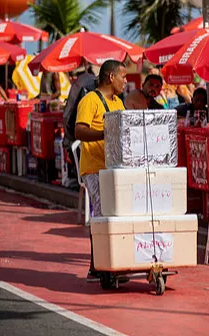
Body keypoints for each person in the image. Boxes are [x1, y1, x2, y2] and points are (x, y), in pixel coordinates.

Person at [75, 60, 126, 281]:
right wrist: (105, 133)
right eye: (123, 77)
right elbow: (79, 131)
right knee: (103, 214)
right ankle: (99, 266)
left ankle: (102, 264)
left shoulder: (118, 103)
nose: (126, 81)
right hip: (94, 168)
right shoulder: (90, 100)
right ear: (111, 77)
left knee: (113, 216)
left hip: (114, 168)